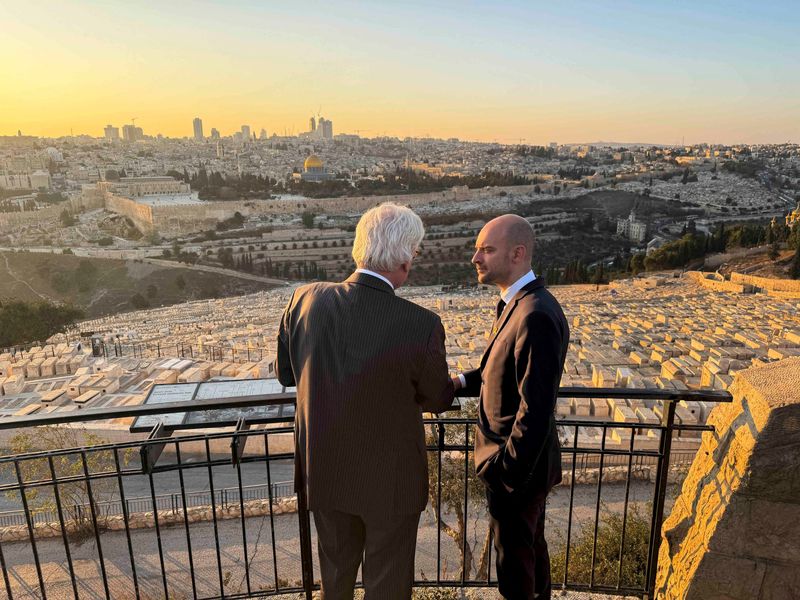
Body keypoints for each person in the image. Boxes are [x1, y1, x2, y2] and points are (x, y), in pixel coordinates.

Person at [276, 203, 454, 600]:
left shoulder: (304, 300)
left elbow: (287, 375)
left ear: (359, 247)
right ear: (406, 259)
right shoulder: (420, 323)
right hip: (390, 483)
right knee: (387, 585)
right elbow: (438, 397)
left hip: (324, 470)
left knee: (334, 580)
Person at [453, 214, 569, 600]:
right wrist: (459, 383)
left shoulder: (534, 313)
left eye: (487, 249)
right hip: (521, 468)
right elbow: (494, 372)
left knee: (515, 568)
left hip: (517, 469)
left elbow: (536, 407)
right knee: (530, 551)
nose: (476, 258)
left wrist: (507, 473)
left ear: (518, 253)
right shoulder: (516, 304)